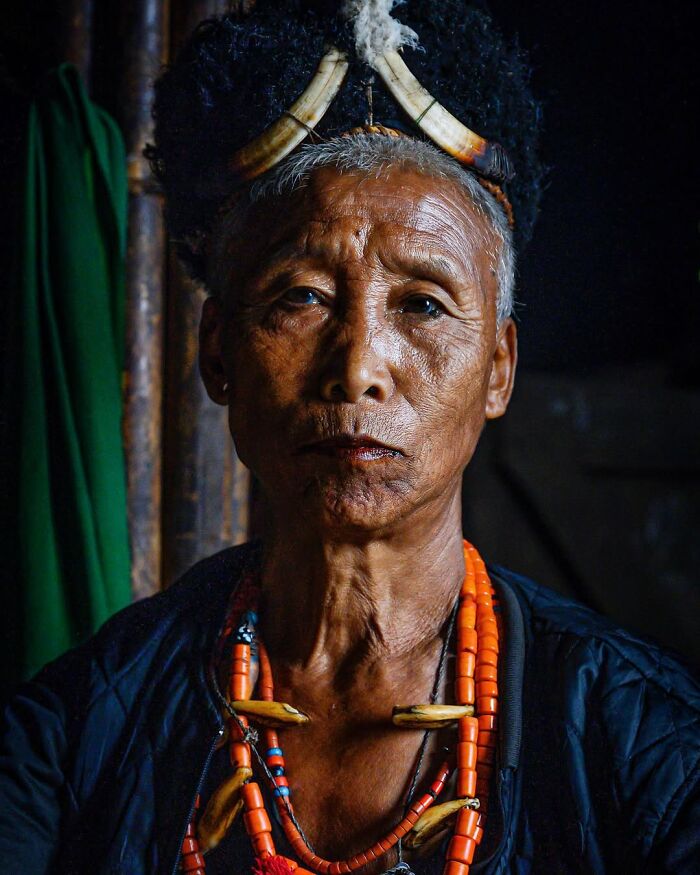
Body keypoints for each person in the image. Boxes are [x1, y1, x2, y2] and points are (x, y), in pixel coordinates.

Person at [1, 2, 698, 873]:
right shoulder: (72, 737)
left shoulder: (653, 750)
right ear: (219, 355)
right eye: (301, 296)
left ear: (498, 369)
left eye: (423, 304)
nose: (359, 365)